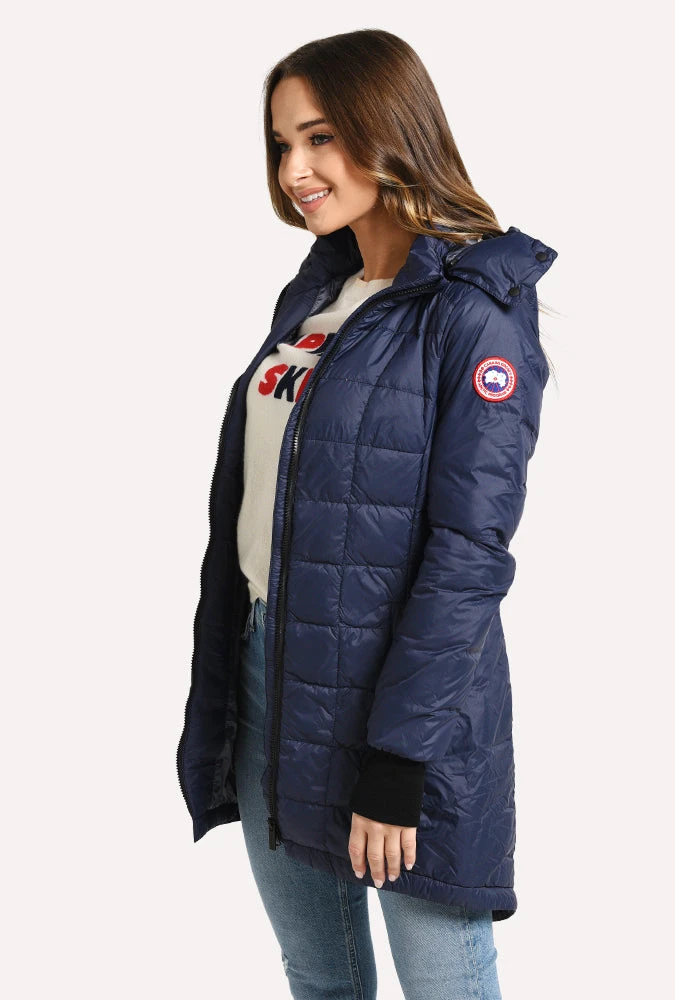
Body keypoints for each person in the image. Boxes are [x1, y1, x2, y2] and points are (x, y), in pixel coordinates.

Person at [177, 28, 558, 1000]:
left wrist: (395, 760)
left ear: (389, 130)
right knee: (321, 975)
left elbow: (468, 552)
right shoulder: (316, 297)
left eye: (321, 138)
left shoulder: (473, 308)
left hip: (404, 710)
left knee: (444, 983)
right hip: (272, 675)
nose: (294, 171)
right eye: (281, 144)